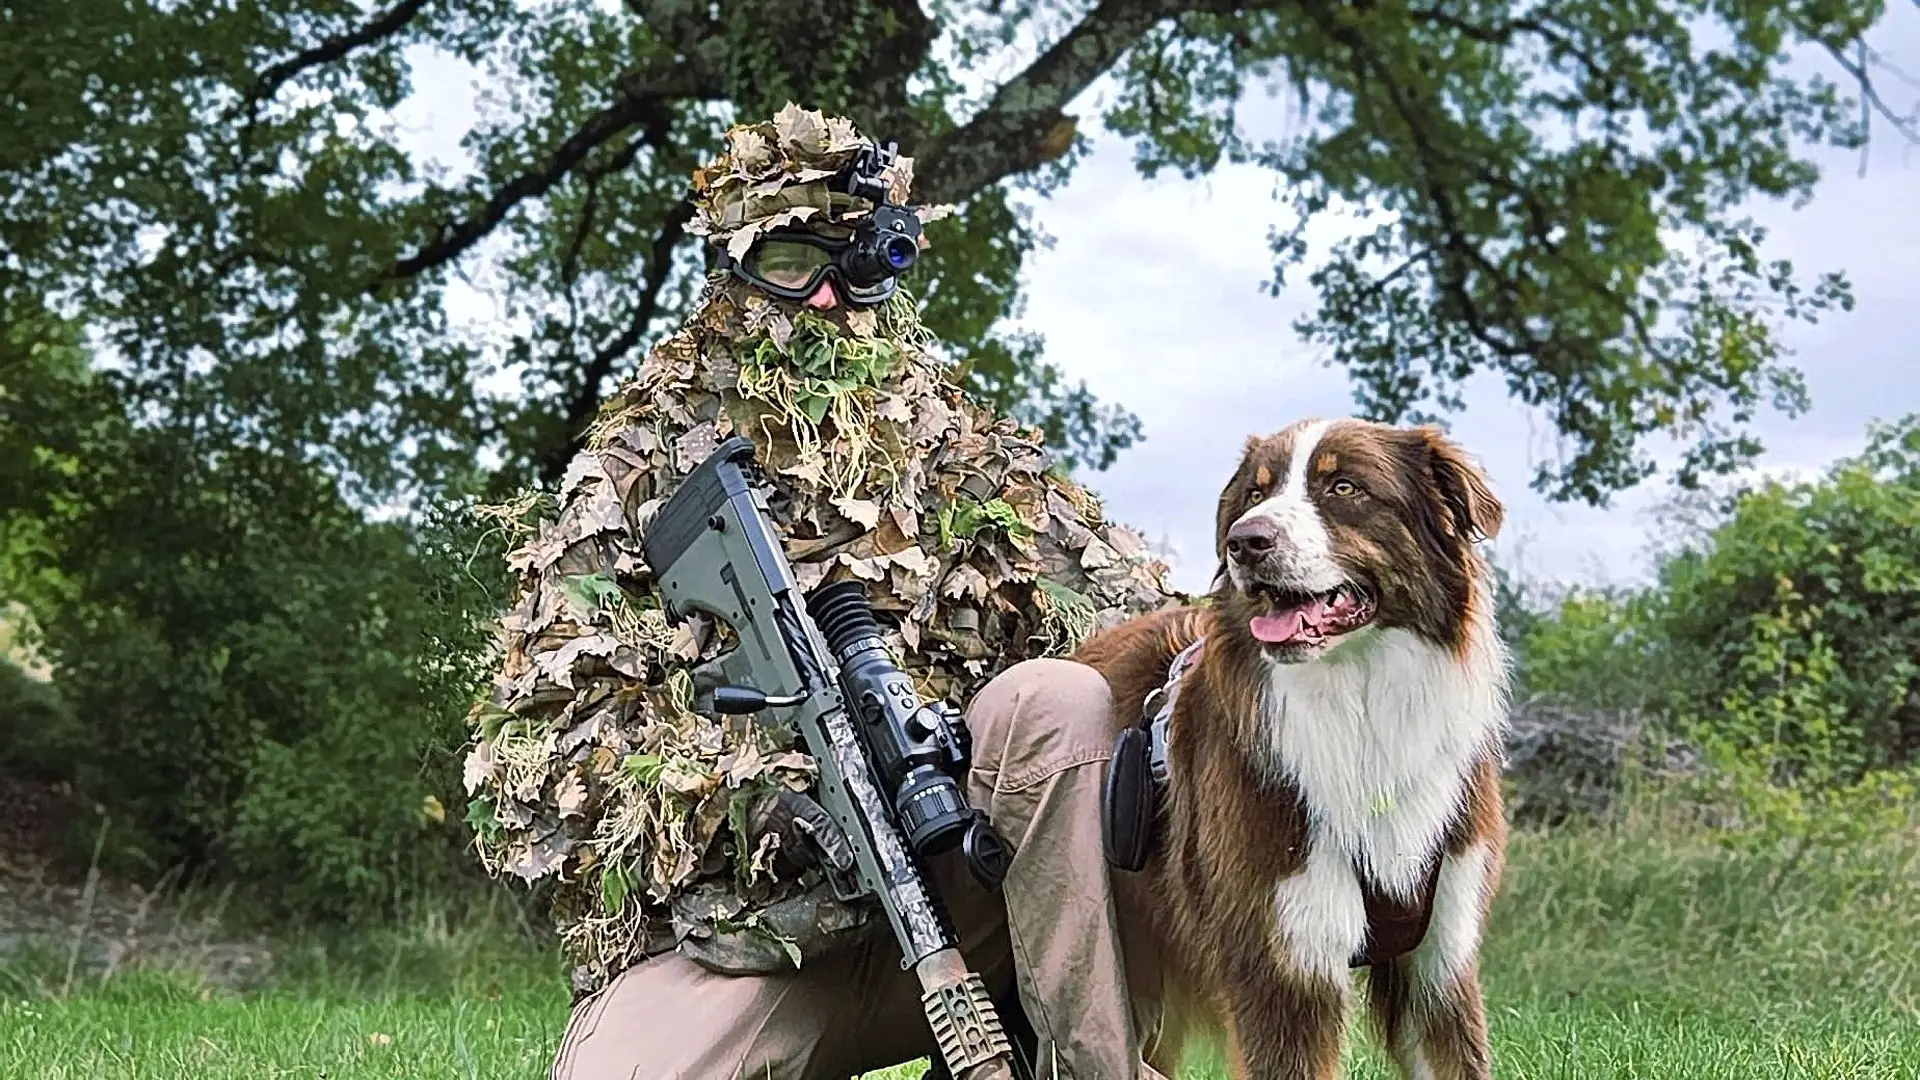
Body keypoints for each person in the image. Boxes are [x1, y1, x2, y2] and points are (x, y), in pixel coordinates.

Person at [457, 103, 1182, 1079]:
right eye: (796, 263)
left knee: (1066, 702)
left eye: (860, 265)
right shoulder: (635, 460)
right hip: (751, 940)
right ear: (730, 278)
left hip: (966, 907)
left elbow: (1143, 629)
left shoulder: (954, 446)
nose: (833, 301)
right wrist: (758, 798)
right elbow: (539, 734)